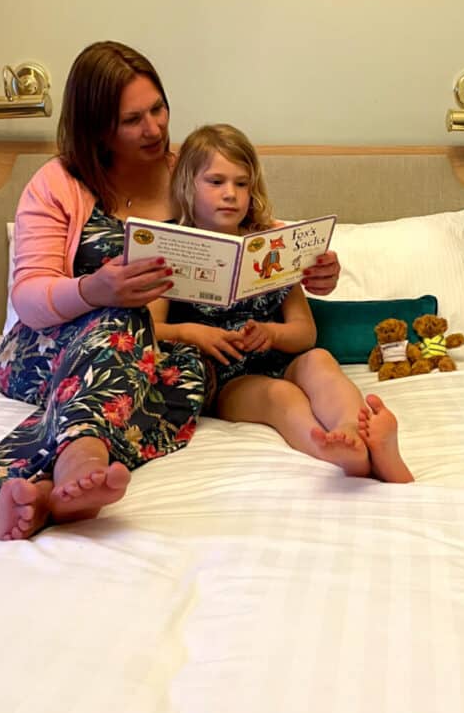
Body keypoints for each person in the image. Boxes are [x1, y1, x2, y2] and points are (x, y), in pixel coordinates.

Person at [0, 42, 343, 540]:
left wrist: (312, 265)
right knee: (124, 320)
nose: (154, 128)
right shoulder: (58, 183)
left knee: (186, 378)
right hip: (51, 343)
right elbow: (29, 298)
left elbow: (260, 236)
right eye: (132, 119)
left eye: (158, 109)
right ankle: (79, 459)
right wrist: (93, 289)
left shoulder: (193, 172)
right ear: (96, 125)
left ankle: (44, 498)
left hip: (160, 349)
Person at [150, 124, 413, 484]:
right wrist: (192, 333)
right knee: (279, 394)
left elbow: (305, 334)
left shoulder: (273, 245)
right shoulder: (171, 249)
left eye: (241, 184)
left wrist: (271, 333)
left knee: (320, 361)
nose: (230, 194)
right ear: (186, 185)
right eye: (215, 182)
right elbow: (148, 329)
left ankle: (356, 430)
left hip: (281, 357)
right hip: (227, 379)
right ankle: (328, 449)